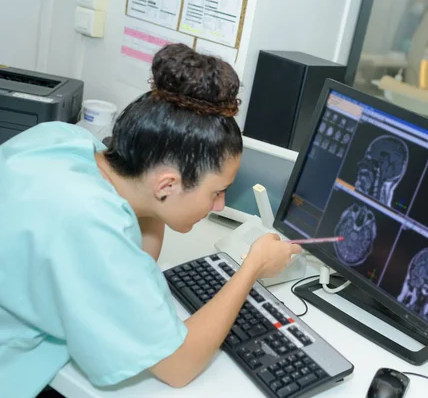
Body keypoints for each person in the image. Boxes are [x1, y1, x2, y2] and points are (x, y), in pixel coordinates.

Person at [0, 43, 302, 397]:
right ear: (167, 184)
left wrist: (158, 204)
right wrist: (252, 268)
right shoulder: (94, 227)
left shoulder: (62, 139)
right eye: (217, 191)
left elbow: (141, 255)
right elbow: (178, 366)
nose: (219, 206)